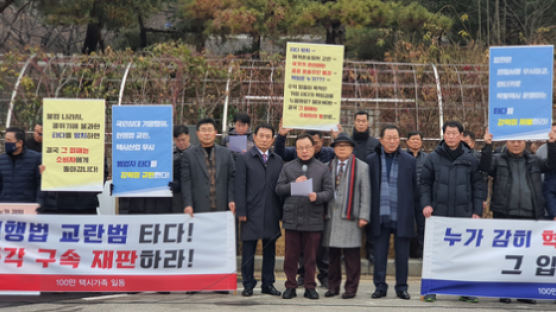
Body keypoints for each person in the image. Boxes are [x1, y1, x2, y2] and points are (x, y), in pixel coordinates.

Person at [481, 127, 556, 304]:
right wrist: (487, 145)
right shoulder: (498, 160)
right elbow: (484, 166)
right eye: (513, 141)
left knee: (527, 256)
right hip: (505, 214)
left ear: (525, 143)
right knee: (506, 255)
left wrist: (552, 144)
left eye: (520, 141)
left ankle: (524, 292)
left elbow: (552, 165)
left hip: (530, 215)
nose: (516, 144)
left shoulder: (534, 160)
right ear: (506, 142)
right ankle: (505, 291)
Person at [420, 120, 485, 303]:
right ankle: (431, 289)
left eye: (454, 133)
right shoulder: (432, 158)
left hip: (463, 214)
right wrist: (426, 204)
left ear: (461, 136)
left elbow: (478, 186)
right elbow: (424, 183)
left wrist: (476, 211)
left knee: (465, 253)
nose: (450, 137)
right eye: (447, 133)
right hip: (439, 214)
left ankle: (466, 290)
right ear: (443, 135)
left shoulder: (470, 158)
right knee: (437, 253)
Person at [276, 133, 334, 300]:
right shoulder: (288, 167)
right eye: (300, 148)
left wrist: (317, 196)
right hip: (292, 217)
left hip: (313, 217)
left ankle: (310, 286)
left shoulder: (322, 168)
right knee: (290, 256)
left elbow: (329, 192)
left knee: (311, 256)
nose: (304, 151)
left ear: (314, 148)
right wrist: (293, 185)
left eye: (307, 147)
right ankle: (290, 286)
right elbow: (279, 189)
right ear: (296, 149)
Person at [366, 125, 421, 300]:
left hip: (402, 214)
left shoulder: (409, 161)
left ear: (400, 140)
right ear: (381, 140)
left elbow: (415, 189)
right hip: (379, 215)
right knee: (379, 255)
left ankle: (402, 287)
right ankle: (380, 286)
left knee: (402, 256)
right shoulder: (371, 160)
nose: (392, 141)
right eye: (388, 138)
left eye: (395, 138)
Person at [236, 123, 283, 297]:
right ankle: (248, 284)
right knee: (248, 250)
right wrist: (241, 211)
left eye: (268, 136)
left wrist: (281, 213)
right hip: (250, 212)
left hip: (271, 211)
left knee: (269, 251)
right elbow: (239, 186)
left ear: (272, 139)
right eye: (261, 136)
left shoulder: (277, 160)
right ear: (254, 137)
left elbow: (281, 187)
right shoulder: (244, 158)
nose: (264, 139)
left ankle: (268, 284)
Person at [321, 133, 369, 299]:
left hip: (351, 217)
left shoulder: (362, 167)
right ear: (333, 149)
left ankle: (351, 288)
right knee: (332, 256)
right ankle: (333, 286)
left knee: (352, 256)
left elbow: (366, 193)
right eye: (338, 145)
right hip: (331, 217)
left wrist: (364, 216)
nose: (342, 148)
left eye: (345, 145)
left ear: (352, 148)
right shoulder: (327, 166)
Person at [181, 118, 235, 216]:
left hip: (222, 206)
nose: (207, 133)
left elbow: (232, 178)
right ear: (197, 133)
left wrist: (231, 199)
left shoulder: (226, 153)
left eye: (210, 130)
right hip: (198, 207)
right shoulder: (188, 155)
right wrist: (188, 204)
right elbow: (186, 182)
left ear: (215, 132)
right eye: (203, 130)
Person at [0, 127, 41, 203]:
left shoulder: (36, 158)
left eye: (9, 140)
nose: (6, 143)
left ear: (20, 143)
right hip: (5, 208)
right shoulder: (1, 160)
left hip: (27, 208)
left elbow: (40, 184)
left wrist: (38, 204)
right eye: (5, 140)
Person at [405, 131, 427, 259]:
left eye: (418, 139)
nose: (415, 142)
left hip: (422, 198)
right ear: (407, 142)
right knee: (407, 225)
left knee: (422, 226)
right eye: (413, 139)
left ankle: (421, 253)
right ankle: (407, 253)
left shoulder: (427, 158)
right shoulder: (402, 156)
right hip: (406, 197)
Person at [171, 125, 191, 212]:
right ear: (174, 139)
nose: (181, 143)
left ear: (188, 137)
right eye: (178, 140)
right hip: (175, 198)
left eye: (183, 139)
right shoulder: (170, 154)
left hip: (192, 197)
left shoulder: (197, 153)